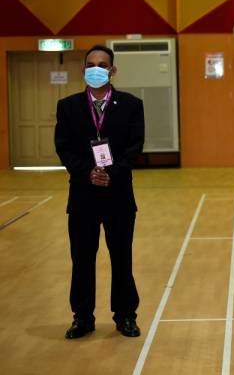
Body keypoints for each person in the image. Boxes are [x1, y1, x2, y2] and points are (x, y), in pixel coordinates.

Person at [55, 45, 145, 339]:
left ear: (112, 70)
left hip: (118, 196)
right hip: (83, 196)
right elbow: (64, 148)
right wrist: (87, 173)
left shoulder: (131, 105)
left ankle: (125, 316)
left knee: (122, 259)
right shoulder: (68, 107)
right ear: (83, 71)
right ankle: (82, 317)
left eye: (102, 64)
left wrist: (112, 173)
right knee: (82, 260)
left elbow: (135, 147)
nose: (96, 69)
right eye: (91, 64)